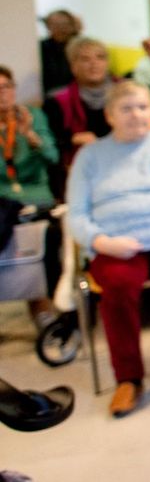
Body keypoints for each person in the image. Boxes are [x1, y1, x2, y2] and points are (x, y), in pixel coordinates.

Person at [63, 81, 150, 418]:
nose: (136, 115)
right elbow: (76, 213)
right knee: (117, 285)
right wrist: (100, 241)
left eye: (142, 107)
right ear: (110, 115)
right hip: (115, 243)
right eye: (126, 109)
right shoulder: (90, 156)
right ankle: (129, 378)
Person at [0, 65, 62, 324]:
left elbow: (52, 157)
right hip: (3, 198)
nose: (2, 94)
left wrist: (30, 136)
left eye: (6, 87)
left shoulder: (33, 116)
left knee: (50, 237)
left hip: (36, 196)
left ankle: (44, 305)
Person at [42, 36, 114, 176]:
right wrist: (72, 139)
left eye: (100, 57)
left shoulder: (125, 92)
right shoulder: (56, 100)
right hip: (79, 169)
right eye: (85, 59)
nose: (94, 64)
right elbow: (50, 141)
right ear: (73, 66)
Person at [38, 10, 81, 95]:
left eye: (65, 24)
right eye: (56, 24)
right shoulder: (41, 47)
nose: (61, 28)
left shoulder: (80, 46)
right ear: (48, 26)